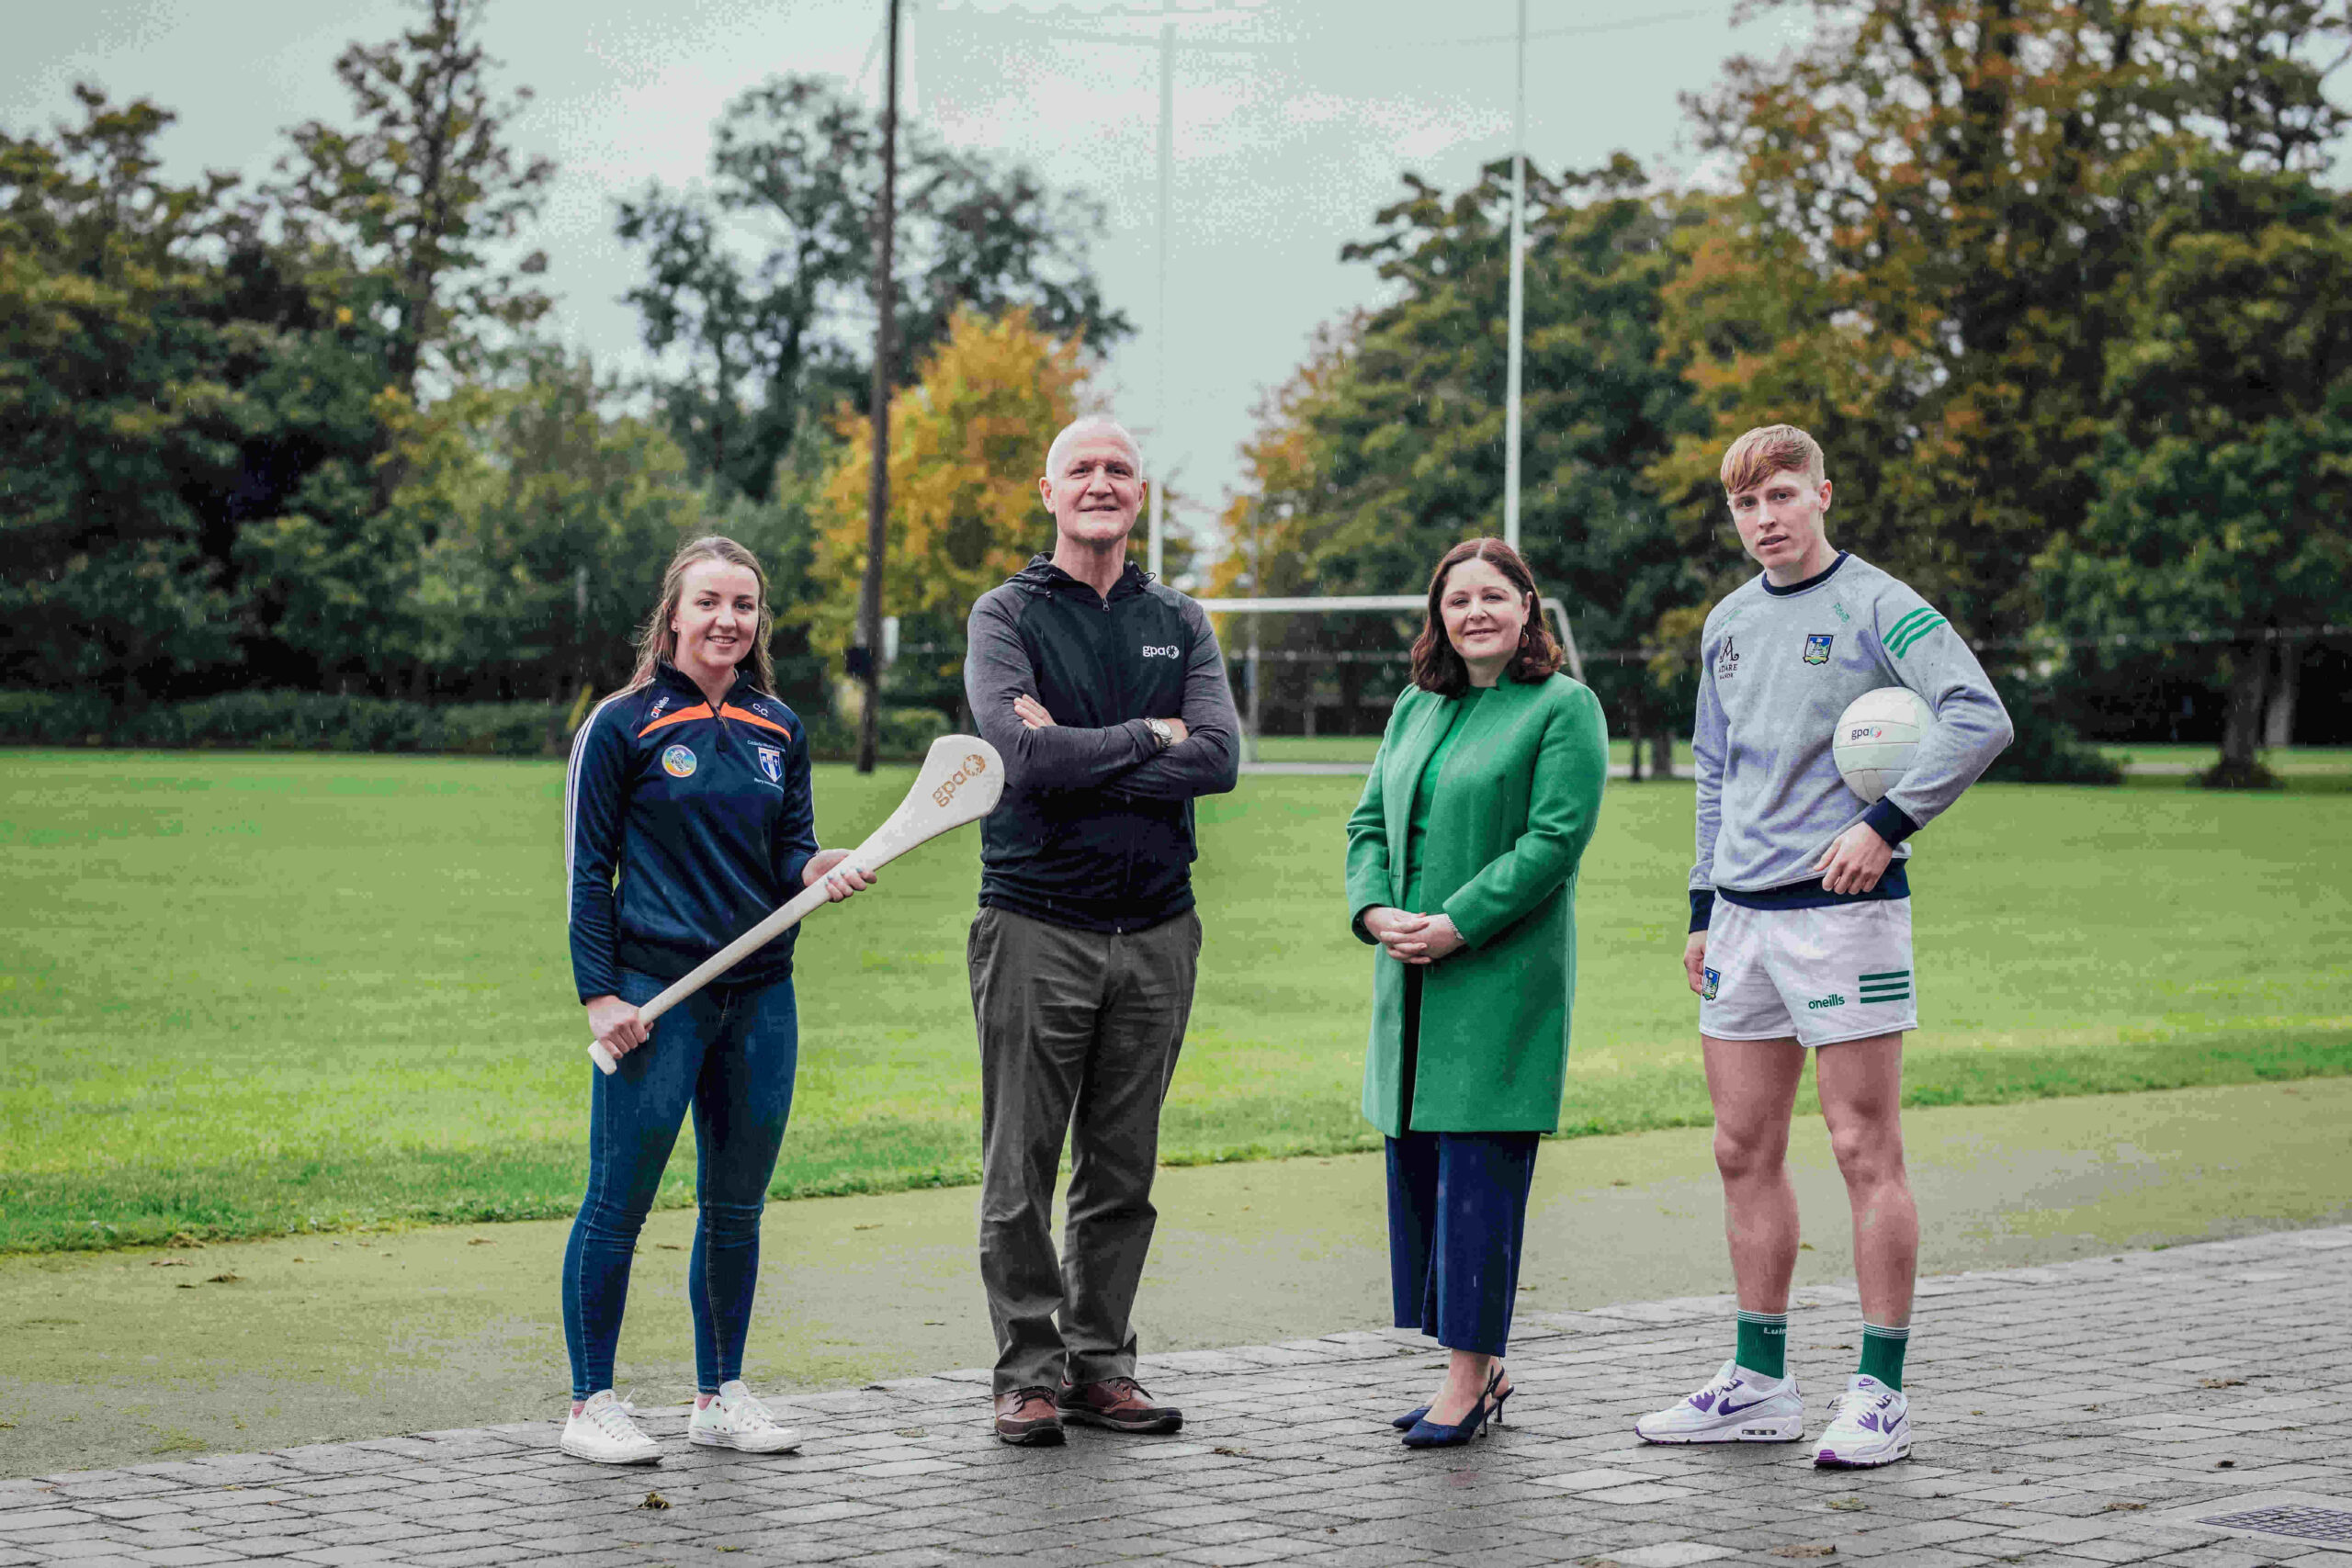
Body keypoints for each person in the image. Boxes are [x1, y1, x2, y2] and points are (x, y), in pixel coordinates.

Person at [1635, 424, 2013, 1468]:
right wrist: (1702, 908)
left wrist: (1884, 826)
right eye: (1746, 505)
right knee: (1739, 1149)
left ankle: (1880, 1393)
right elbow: (1713, 772)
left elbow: (1977, 716)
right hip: (1744, 918)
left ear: (1823, 497)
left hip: (1844, 914)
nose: (1764, 519)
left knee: (1861, 1149)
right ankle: (1758, 1382)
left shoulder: (1879, 603)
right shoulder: (1726, 623)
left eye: (1782, 497)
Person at [559, 536, 876, 1466]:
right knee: (618, 1204)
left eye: (744, 606)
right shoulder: (619, 725)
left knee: (737, 1209)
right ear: (672, 615)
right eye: (709, 603)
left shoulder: (780, 727)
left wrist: (819, 869)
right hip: (658, 998)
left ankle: (717, 1395)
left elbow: (789, 857)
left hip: (761, 996)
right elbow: (586, 872)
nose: (727, 620)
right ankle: (590, 1404)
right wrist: (600, 995)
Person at [962, 415, 1240, 1446]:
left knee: (1121, 1170)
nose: (1099, 482)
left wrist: (1084, 747)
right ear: (1047, 490)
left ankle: (1099, 1364)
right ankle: (1027, 1372)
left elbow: (1217, 760)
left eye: (1117, 469)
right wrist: (1147, 735)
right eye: (1080, 468)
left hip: (1160, 929)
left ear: (1140, 492)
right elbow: (1018, 762)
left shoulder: (1180, 620)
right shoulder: (1007, 615)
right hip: (1037, 923)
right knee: (1020, 1169)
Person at [1343, 538, 1610, 1450]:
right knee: (1420, 1171)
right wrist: (1374, 908)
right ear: (1438, 616)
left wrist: (1457, 921)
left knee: (1476, 1181)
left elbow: (1552, 841)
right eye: (1458, 601)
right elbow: (1370, 819)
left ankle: (1466, 1383)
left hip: (1495, 979)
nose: (1475, 614)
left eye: (1494, 596)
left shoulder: (1562, 708)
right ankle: (1477, 1370)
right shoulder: (1416, 705)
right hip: (1409, 981)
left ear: (1527, 606)